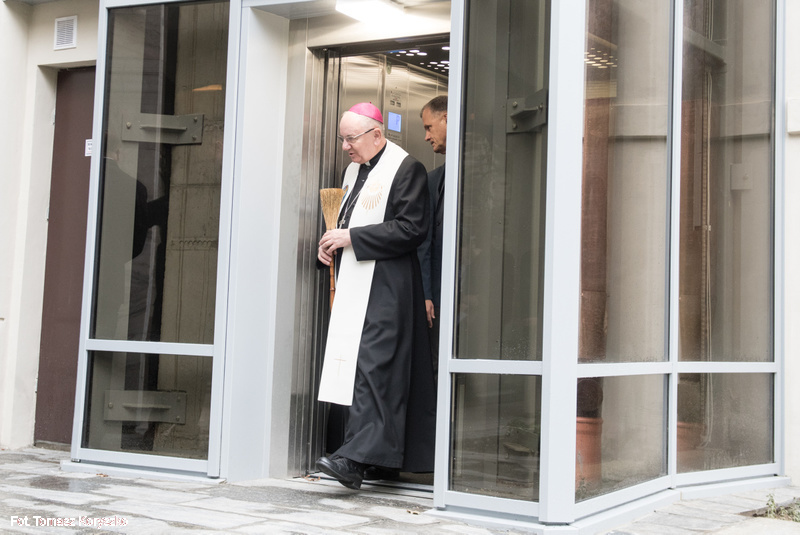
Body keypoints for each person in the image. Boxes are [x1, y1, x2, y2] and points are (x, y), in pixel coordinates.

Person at [315, 103, 436, 490]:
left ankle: (353, 460)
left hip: (389, 286)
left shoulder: (407, 168)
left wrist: (351, 237)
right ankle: (373, 460)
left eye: (351, 139)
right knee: (359, 368)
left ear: (377, 135)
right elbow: (345, 223)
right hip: (356, 284)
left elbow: (412, 228)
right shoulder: (352, 171)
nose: (345, 147)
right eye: (343, 139)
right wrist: (330, 246)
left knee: (375, 369)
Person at [418, 96, 447, 373]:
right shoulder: (433, 180)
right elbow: (424, 243)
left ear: (446, 119)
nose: (426, 136)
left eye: (429, 127)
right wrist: (426, 294)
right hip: (439, 298)